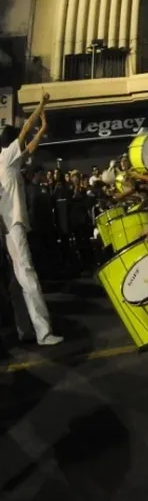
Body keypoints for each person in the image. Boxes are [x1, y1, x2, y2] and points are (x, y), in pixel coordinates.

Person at [0, 93, 63, 346]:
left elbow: (29, 147)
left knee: (21, 280)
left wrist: (44, 128)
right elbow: (26, 131)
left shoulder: (10, 163)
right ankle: (43, 332)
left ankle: (30, 330)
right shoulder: (5, 157)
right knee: (28, 277)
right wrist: (42, 103)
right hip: (12, 227)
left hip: (11, 227)